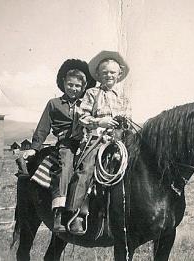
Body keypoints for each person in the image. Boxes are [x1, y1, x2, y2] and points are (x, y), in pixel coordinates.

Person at [22, 59, 96, 233]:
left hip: (87, 143)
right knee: (65, 166)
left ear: (84, 87)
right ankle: (59, 212)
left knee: (91, 169)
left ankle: (81, 213)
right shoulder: (54, 104)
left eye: (78, 86)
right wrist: (34, 147)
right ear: (63, 83)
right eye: (70, 84)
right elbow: (43, 127)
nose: (73, 88)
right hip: (67, 144)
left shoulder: (87, 104)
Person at [66, 50, 130, 234]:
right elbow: (82, 116)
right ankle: (76, 214)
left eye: (112, 72)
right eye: (105, 73)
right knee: (86, 169)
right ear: (99, 75)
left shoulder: (124, 98)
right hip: (96, 139)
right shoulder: (92, 93)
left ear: (119, 74)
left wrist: (121, 129)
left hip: (119, 141)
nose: (109, 75)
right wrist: (99, 122)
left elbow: (128, 120)